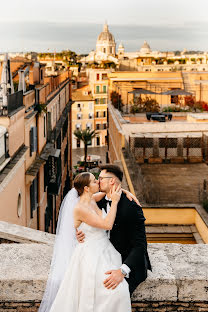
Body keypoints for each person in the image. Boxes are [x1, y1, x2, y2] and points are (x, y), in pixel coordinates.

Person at [39, 172, 135, 312]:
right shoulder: (80, 208)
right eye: (94, 181)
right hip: (91, 255)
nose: (98, 182)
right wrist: (114, 202)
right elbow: (107, 225)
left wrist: (125, 192)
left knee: (117, 290)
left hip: (105, 250)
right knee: (112, 292)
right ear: (86, 188)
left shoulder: (91, 199)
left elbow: (108, 193)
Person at [77, 164, 152, 296]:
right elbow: (76, 214)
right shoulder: (96, 202)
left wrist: (122, 271)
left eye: (100, 178)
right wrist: (77, 232)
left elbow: (140, 246)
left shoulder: (132, 207)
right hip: (102, 258)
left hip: (126, 263)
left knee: (112, 295)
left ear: (111, 181)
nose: (97, 181)